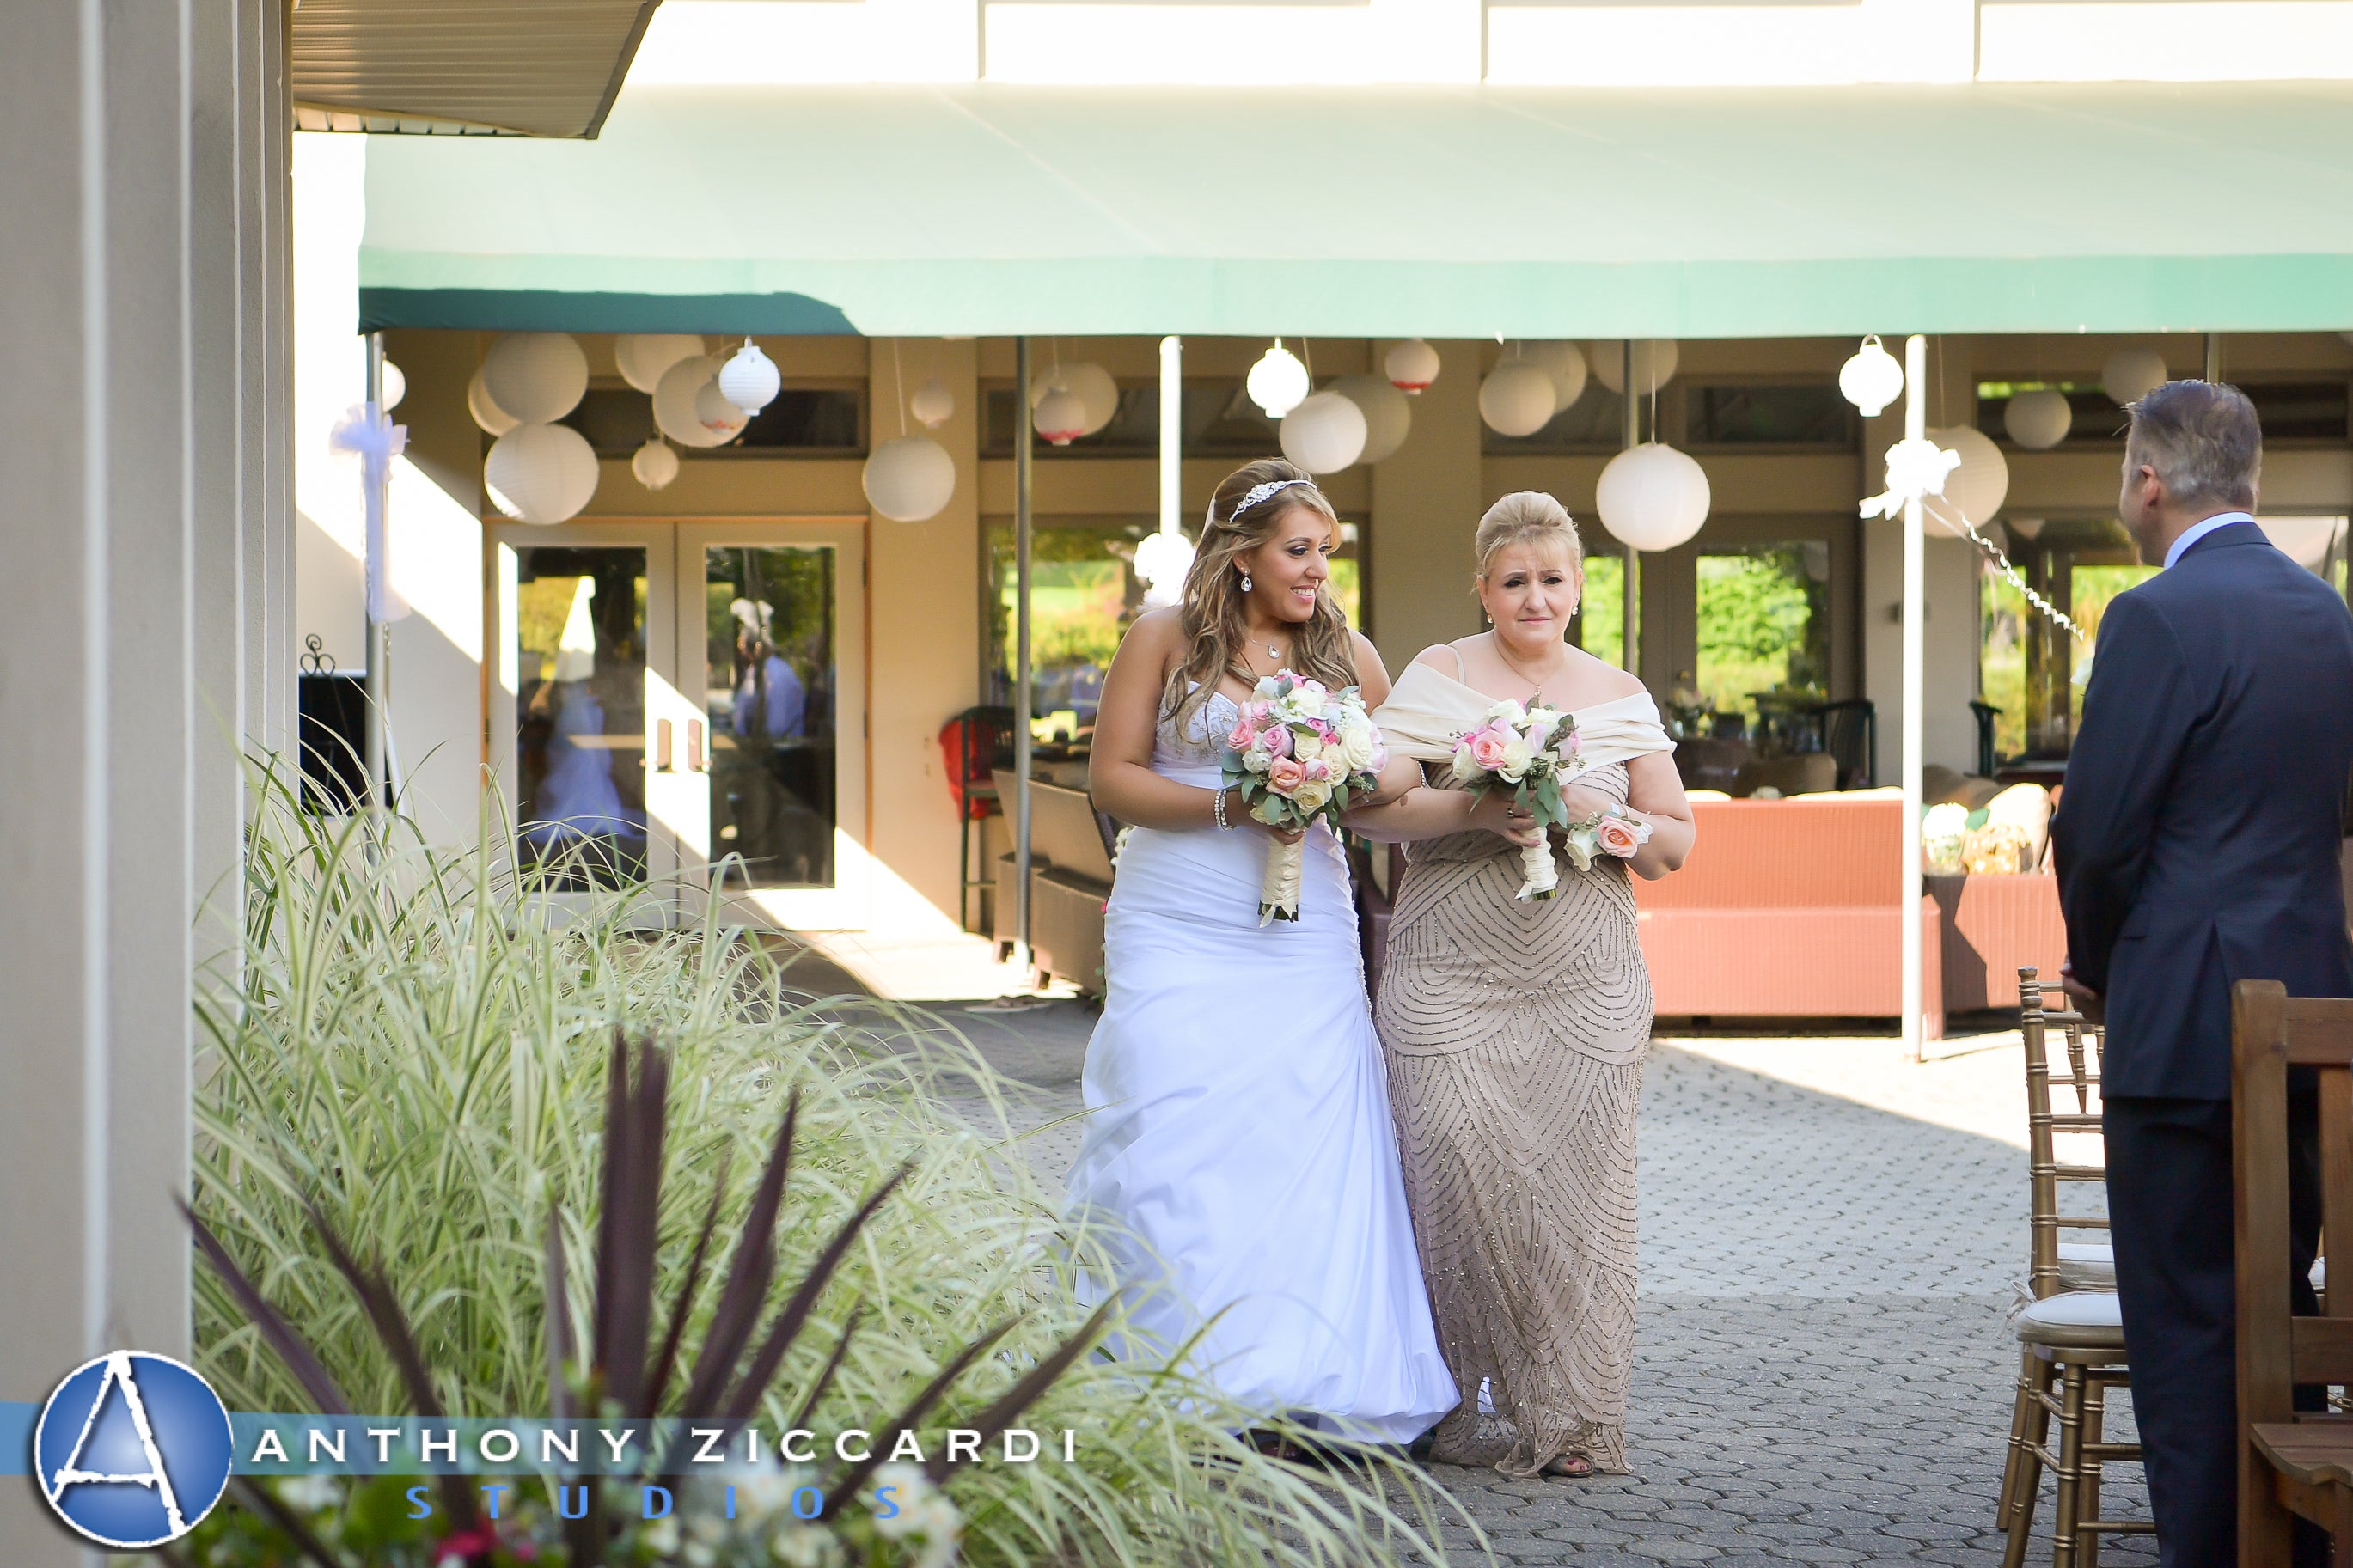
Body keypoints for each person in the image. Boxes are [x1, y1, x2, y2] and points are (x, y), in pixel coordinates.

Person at [1066, 457, 1458, 1447]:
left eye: (1326, 549)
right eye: (1298, 548)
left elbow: (1380, 795)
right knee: (1171, 1118)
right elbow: (1111, 778)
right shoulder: (1160, 637)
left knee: (1302, 1128)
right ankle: (1173, 1370)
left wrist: (1475, 800)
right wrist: (1231, 800)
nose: (1317, 567)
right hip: (1176, 917)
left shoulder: (1348, 657)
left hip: (1302, 934)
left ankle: (1306, 1378)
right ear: (1241, 555)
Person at [2053, 380, 2353, 1566]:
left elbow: (2100, 831)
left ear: (2146, 482)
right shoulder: (2327, 617)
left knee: (2184, 1336)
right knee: (2285, 1323)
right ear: (2253, 480)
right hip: (2311, 1019)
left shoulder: (2151, 616)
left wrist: (2093, 967)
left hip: (2179, 1024)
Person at [1348, 492, 1692, 1479]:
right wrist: (1477, 805)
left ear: (1578, 586)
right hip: (1450, 965)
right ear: (1483, 587)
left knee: (1575, 1193)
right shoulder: (1436, 676)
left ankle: (1574, 1413)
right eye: (1513, 580)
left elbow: (1670, 845)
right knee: (1450, 1167)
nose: (1533, 596)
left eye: (1551, 579)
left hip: (1582, 972)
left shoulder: (1618, 693)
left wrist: (1594, 816)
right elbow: (1374, 811)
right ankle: (1452, 1398)